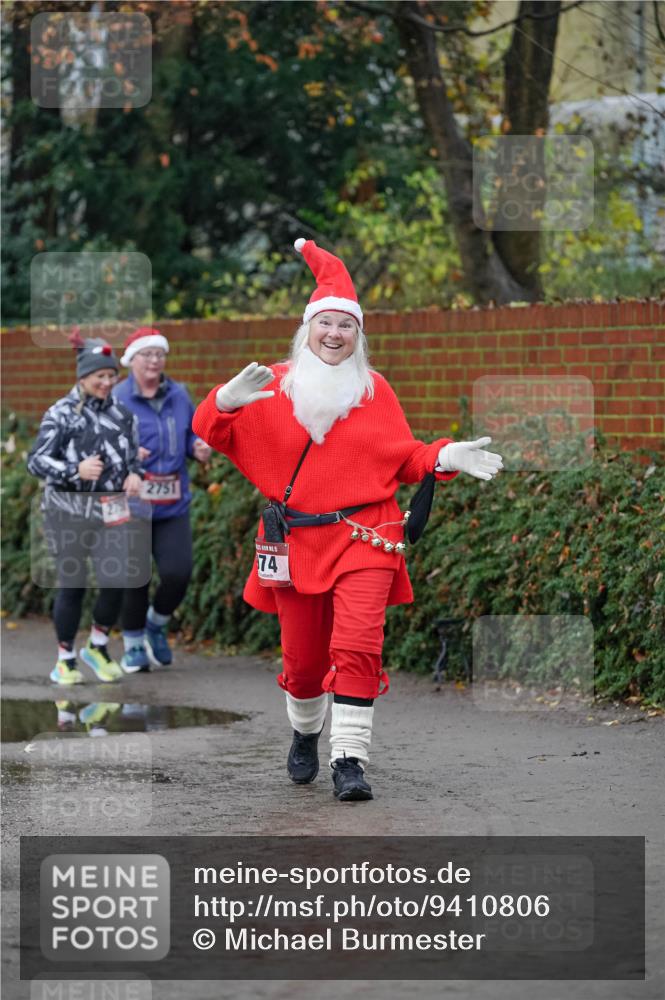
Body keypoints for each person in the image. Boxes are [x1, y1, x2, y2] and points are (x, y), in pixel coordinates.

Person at [192, 239, 503, 802]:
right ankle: (306, 733)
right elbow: (209, 431)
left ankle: (349, 760)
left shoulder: (373, 389)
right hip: (295, 540)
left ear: (358, 335)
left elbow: (402, 457)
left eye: (346, 326)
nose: (334, 334)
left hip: (367, 534)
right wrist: (225, 401)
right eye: (325, 323)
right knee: (304, 661)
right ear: (307, 329)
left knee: (359, 644)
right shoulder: (273, 385)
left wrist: (444, 455)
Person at [27, 333, 143, 684]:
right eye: (100, 377)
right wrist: (73, 470)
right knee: (72, 584)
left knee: (118, 578)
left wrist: (135, 475)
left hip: (112, 509)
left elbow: (132, 455)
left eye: (112, 376)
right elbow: (36, 461)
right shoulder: (60, 414)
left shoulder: (123, 414)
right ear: (83, 377)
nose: (108, 383)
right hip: (69, 510)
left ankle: (98, 645)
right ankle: (65, 658)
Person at [113, 327, 212, 672]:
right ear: (131, 361)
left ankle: (157, 623)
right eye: (147, 354)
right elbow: (97, 444)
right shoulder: (115, 398)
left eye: (160, 354)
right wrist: (123, 456)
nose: (155, 361)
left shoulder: (179, 395)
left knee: (178, 573)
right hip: (130, 504)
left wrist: (198, 448)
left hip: (173, 502)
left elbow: (191, 435)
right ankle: (133, 645)